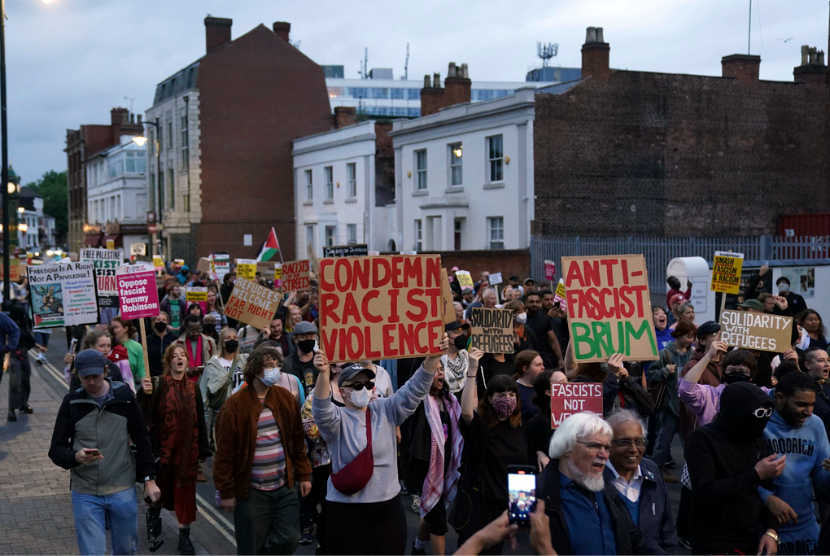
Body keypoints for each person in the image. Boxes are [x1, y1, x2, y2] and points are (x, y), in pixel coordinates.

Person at [311, 334, 449, 556]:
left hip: (386, 513)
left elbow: (415, 388)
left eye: (367, 383)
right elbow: (320, 409)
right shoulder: (336, 419)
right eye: (357, 384)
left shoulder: (386, 409)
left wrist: (433, 357)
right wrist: (324, 374)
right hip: (346, 515)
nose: (364, 388)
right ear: (343, 391)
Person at [48, 349, 161, 556]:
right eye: (85, 377)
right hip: (86, 492)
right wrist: (75, 457)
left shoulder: (125, 397)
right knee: (92, 552)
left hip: (122, 488)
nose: (91, 382)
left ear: (106, 370)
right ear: (77, 375)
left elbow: (142, 439)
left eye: (96, 376)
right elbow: (55, 450)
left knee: (125, 550)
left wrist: (149, 479)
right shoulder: (71, 403)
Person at [214, 344, 313, 556]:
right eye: (269, 365)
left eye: (278, 365)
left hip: (284, 485)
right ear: (255, 369)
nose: (275, 370)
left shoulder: (285, 398)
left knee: (289, 538)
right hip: (251, 492)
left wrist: (304, 474)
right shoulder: (234, 406)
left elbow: (297, 440)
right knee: (250, 547)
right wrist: (226, 491)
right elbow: (224, 454)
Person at [538, 412, 667, 556]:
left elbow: (632, 536)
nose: (604, 455)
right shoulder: (534, 495)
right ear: (567, 447)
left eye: (606, 447)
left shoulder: (606, 490)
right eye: (594, 446)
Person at [685, 382, 783, 556]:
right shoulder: (702, 439)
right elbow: (706, 491)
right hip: (714, 540)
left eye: (768, 413)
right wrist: (756, 474)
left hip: (751, 535)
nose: (764, 418)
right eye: (759, 413)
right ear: (737, 412)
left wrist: (771, 531)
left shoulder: (754, 437)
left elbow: (764, 490)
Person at [139, 344, 211, 555]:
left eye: (183, 355)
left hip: (187, 453)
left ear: (187, 360)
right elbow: (141, 413)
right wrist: (144, 393)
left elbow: (200, 419)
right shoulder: (157, 383)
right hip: (161, 453)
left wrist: (203, 450)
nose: (179, 358)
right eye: (175, 356)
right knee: (157, 493)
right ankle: (154, 528)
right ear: (168, 361)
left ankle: (184, 538)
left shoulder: (193, 388)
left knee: (185, 496)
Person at [455, 348, 528, 555]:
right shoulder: (482, 427)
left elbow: (525, 468)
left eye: (511, 394)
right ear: (490, 398)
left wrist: (522, 511)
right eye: (501, 395)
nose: (507, 398)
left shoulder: (522, 427)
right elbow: (467, 412)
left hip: (515, 506)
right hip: (484, 508)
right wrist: (472, 370)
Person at [761, 370, 830, 554]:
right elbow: (735, 474)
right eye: (801, 405)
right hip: (764, 528)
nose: (809, 412)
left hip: (805, 525)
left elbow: (821, 479)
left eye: (812, 405)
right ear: (780, 398)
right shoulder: (759, 421)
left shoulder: (815, 424)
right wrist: (766, 498)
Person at [407, 357, 463, 556]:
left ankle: (418, 547)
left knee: (430, 512)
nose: (440, 373)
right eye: (435, 370)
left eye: (441, 369)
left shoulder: (449, 400)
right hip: (425, 467)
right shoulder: (418, 400)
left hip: (445, 464)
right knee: (439, 522)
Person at [604, 410, 677, 554]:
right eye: (624, 442)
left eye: (639, 442)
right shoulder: (595, 479)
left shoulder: (652, 470)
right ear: (608, 445)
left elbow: (667, 528)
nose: (633, 449)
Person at [298, 362, 346, 547]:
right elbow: (307, 421)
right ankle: (325, 544)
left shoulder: (358, 389)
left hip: (351, 459)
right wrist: (330, 433)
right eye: (344, 364)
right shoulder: (319, 391)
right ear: (333, 368)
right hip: (325, 461)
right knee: (329, 507)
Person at [647, 320, 696, 483]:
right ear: (679, 334)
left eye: (692, 337)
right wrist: (664, 371)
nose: (690, 340)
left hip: (687, 408)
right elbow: (650, 375)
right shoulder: (665, 354)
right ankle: (653, 474)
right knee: (662, 444)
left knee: (691, 445)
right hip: (670, 408)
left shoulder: (693, 354)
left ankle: (692, 474)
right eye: (688, 336)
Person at [201, 327, 249, 442]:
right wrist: (206, 422)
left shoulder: (244, 360)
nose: (232, 340)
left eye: (235, 338)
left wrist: (264, 337)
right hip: (222, 414)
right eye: (228, 338)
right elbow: (204, 393)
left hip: (242, 413)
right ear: (222, 342)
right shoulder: (213, 364)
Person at [679, 321, 724, 441]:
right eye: (715, 334)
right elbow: (690, 403)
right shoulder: (692, 366)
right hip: (704, 432)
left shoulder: (729, 363)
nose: (720, 336)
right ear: (703, 341)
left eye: (721, 332)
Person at [64, 328, 127, 392]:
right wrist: (69, 366)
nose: (106, 349)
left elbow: (121, 390)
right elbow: (73, 390)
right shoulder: (81, 366)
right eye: (102, 346)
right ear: (91, 347)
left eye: (108, 346)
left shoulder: (114, 367)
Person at [526, 370, 556, 471]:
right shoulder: (537, 423)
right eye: (562, 383)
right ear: (548, 392)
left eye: (567, 381)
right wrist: (537, 452)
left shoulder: (576, 418)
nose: (568, 386)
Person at [524, 292, 562, 368]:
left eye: (537, 302)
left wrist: (560, 358)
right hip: (527, 357)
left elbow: (553, 340)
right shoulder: (522, 319)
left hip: (544, 357)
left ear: (540, 303)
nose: (534, 304)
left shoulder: (544, 319)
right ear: (526, 303)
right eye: (531, 302)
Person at [177, 313, 216, 384]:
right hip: (184, 382)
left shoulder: (210, 341)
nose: (195, 333)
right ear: (186, 328)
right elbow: (174, 366)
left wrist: (206, 367)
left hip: (204, 382)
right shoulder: (177, 344)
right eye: (192, 331)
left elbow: (215, 363)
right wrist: (186, 370)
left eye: (198, 330)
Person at [281, 320, 318, 396]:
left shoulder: (321, 360)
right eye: (304, 337)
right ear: (295, 339)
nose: (308, 340)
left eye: (311, 337)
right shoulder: (286, 364)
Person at [110, 316, 145, 387]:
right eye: (112, 327)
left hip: (129, 388)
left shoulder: (137, 347)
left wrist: (145, 385)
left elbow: (142, 371)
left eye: (115, 327)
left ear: (125, 328)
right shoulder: (108, 345)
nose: (112, 330)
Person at [513, 349, 545, 422]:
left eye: (542, 364)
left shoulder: (544, 387)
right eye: (538, 365)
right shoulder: (514, 390)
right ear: (525, 369)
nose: (543, 368)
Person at [442, 320, 471, 396]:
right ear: (446, 336)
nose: (461, 335)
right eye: (456, 332)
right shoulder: (438, 361)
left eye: (462, 332)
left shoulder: (467, 357)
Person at [147, 312, 177, 377]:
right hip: (152, 376)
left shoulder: (174, 339)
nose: (161, 321)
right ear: (153, 323)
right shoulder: (147, 340)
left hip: (171, 376)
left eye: (164, 320)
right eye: (158, 320)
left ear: (167, 323)